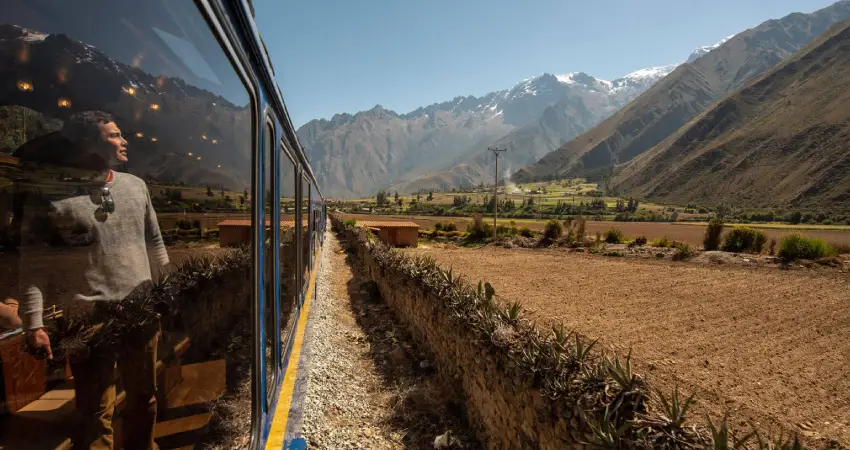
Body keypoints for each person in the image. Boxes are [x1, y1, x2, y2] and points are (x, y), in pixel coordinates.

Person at [18, 111, 169, 450]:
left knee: (144, 398)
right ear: (86, 144)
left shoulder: (136, 187)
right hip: (89, 321)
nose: (124, 140)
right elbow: (32, 265)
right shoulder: (48, 196)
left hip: (141, 310)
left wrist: (166, 292)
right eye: (114, 135)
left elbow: (155, 244)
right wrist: (33, 323)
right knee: (93, 410)